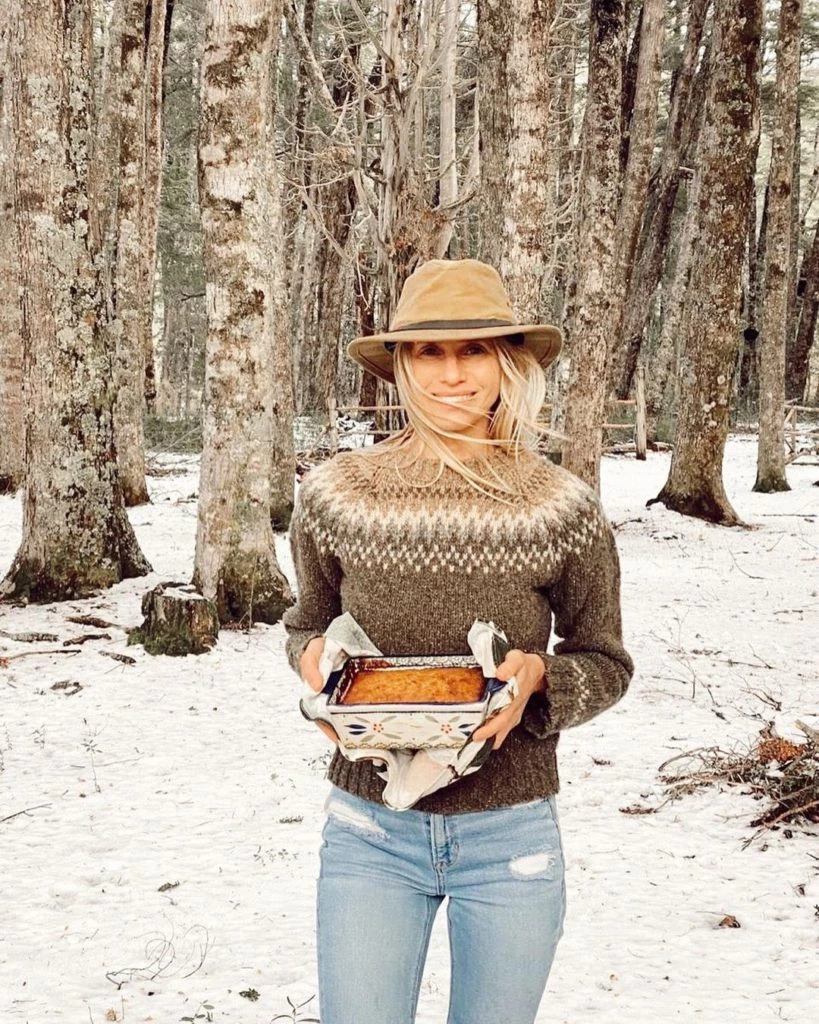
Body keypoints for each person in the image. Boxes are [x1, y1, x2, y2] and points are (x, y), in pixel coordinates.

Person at [283, 258, 633, 1024]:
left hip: (510, 838)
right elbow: (306, 619)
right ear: (401, 365)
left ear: (507, 361)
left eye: (472, 349)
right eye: (428, 351)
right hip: (369, 831)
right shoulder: (336, 494)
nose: (451, 373)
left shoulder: (557, 506)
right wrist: (310, 660)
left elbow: (605, 660)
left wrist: (540, 678)